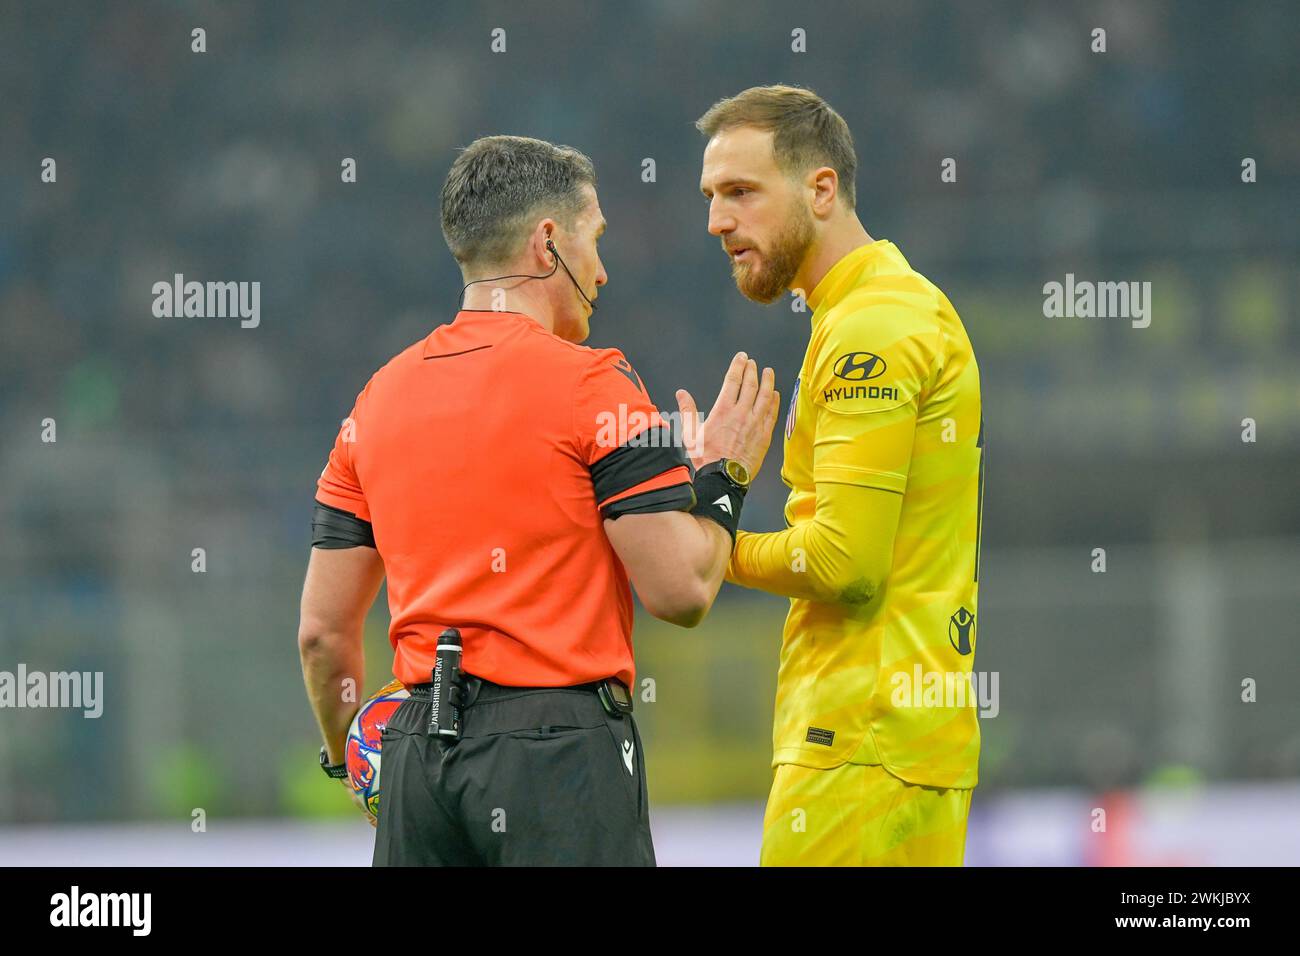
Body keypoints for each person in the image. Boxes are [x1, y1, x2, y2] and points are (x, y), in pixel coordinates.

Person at [297, 134, 780, 866]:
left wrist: (350, 760)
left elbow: (323, 635)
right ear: (548, 242)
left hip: (415, 763)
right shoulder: (597, 385)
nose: (604, 270)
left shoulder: (375, 401)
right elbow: (680, 589)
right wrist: (725, 478)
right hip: (558, 758)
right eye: (596, 240)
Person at [694, 85, 985, 866]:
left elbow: (844, 564)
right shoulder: (872, 311)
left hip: (861, 742)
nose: (718, 221)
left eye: (742, 193)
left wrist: (710, 538)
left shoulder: (874, 331)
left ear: (821, 189)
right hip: (898, 742)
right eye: (713, 197)